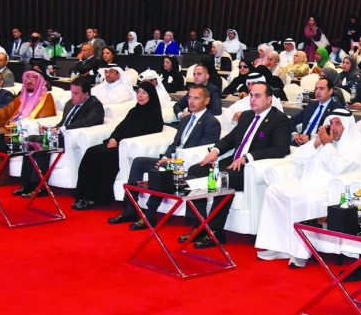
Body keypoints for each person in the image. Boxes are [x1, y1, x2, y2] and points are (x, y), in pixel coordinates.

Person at [254, 109, 361, 267]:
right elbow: (297, 157)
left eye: (338, 124)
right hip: (306, 184)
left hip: (329, 191)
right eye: (331, 123)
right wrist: (316, 143)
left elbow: (337, 168)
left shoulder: (355, 146)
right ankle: (279, 246)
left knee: (306, 198)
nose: (333, 127)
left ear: (347, 127)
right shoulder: (323, 140)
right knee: (273, 191)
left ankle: (301, 253)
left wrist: (327, 145)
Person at [185, 82, 291, 248]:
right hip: (232, 164)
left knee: (223, 179)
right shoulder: (247, 116)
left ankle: (215, 231)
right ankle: (198, 225)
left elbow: (279, 150)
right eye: (251, 95)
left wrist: (248, 157)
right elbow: (230, 139)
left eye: (257, 96)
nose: (252, 99)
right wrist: (215, 151)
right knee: (195, 170)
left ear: (269, 99)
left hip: (250, 169)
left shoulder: (279, 120)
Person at [107, 84, 220, 228]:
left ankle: (150, 216)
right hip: (173, 160)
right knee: (139, 162)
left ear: (206, 100)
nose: (191, 101)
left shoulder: (211, 123)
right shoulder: (185, 119)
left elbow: (202, 151)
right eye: (189, 97)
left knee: (163, 168)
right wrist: (167, 157)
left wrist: (173, 161)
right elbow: (175, 144)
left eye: (196, 98)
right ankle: (130, 209)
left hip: (189, 164)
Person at [71, 83, 163, 211]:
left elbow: (144, 135)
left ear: (151, 96)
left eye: (144, 93)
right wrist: (113, 138)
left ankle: (94, 198)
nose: (140, 96)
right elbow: (120, 128)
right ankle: (82, 195)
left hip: (128, 149)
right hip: (117, 144)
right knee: (91, 152)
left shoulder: (154, 115)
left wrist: (120, 143)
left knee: (102, 156)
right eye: (138, 92)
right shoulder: (134, 111)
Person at [13, 77, 105, 197]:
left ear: (86, 93)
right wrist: (51, 129)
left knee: (42, 141)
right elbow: (63, 123)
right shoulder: (70, 103)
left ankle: (40, 185)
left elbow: (87, 122)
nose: (73, 96)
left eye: (76, 93)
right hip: (61, 135)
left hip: (71, 139)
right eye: (72, 92)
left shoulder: (95, 105)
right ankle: (27, 183)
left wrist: (60, 130)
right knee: (29, 140)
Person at [0, 71, 57, 183]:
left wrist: (21, 124)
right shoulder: (21, 97)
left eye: (33, 79)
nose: (29, 81)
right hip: (10, 127)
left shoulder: (46, 97)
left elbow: (46, 115)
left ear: (40, 81)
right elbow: (7, 110)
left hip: (21, 130)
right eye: (27, 78)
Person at [290, 78, 342, 145]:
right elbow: (292, 120)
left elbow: (333, 131)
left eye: (321, 89)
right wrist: (295, 134)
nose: (317, 92)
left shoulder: (337, 108)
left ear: (330, 91)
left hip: (319, 145)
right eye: (316, 89)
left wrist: (310, 138)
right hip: (300, 141)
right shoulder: (312, 105)